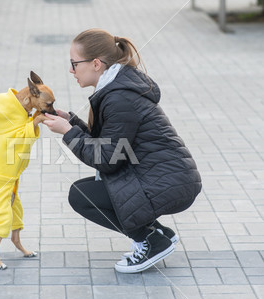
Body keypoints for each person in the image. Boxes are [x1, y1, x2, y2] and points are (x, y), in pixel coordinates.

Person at [43, 29, 202, 273]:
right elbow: (110, 145)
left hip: (169, 182)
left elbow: (108, 159)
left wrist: (68, 132)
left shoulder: (119, 98)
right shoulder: (117, 88)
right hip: (162, 176)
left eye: (74, 64)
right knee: (90, 190)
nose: (71, 70)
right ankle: (158, 234)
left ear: (96, 64)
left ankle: (150, 240)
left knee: (81, 195)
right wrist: (72, 122)